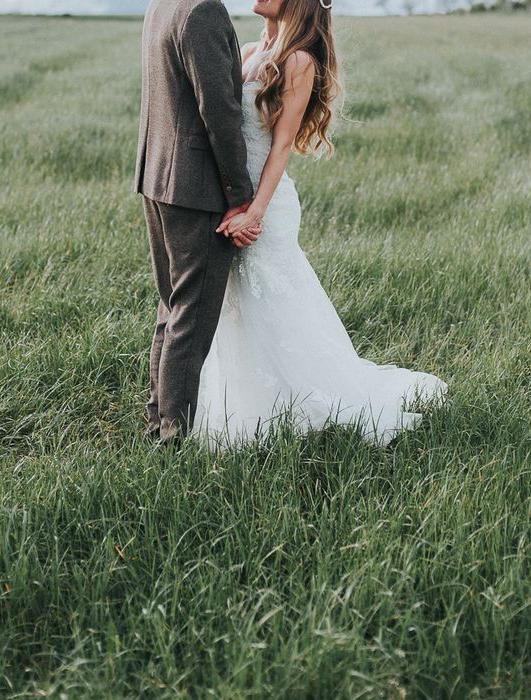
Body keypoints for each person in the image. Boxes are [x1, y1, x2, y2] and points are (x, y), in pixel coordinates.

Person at [190, 0, 449, 449]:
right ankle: (242, 406)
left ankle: (301, 404)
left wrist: (255, 210)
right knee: (236, 304)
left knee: (270, 300)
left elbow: (282, 144)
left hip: (265, 204)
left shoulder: (299, 61)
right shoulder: (249, 48)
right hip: (231, 200)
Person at [134, 0, 263, 445]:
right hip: (195, 187)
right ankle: (173, 435)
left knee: (171, 306)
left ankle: (158, 419)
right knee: (189, 314)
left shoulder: (163, 4)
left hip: (158, 177)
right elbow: (220, 112)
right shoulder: (204, 10)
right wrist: (240, 196)